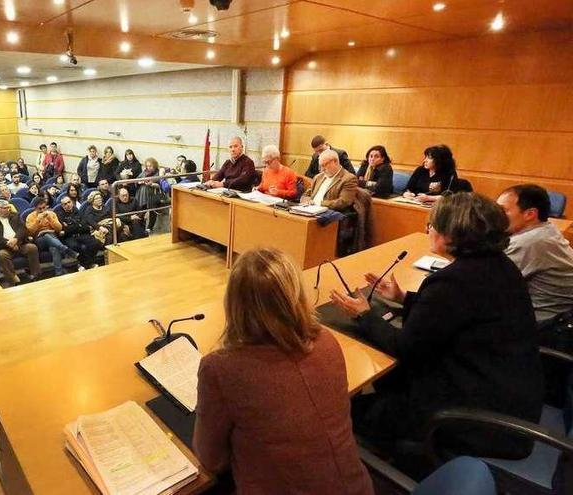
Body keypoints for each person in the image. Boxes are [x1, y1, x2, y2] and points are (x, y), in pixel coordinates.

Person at [330, 193, 543, 460]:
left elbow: (405, 348)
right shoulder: (499, 265)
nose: (428, 229)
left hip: (477, 416)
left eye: (432, 224)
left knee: (349, 408)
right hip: (506, 393)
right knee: (389, 379)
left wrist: (365, 315)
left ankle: (386, 463)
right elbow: (459, 312)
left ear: (450, 235)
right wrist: (402, 297)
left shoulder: (452, 282)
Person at [194, 248, 373, 494]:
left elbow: (211, 459)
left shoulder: (220, 368)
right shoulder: (327, 340)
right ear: (297, 295)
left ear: (234, 304)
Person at [497, 184, 573, 325]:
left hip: (543, 323)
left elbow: (486, 282)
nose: (496, 215)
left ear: (530, 214)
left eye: (503, 210)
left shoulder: (530, 242)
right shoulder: (546, 229)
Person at [0, 199, 41, 286]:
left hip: (19, 244)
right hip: (4, 247)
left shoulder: (15, 216)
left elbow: (23, 229)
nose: (8, 210)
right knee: (1, 255)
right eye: (5, 208)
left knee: (32, 248)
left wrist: (16, 239)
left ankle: (35, 275)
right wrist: (8, 243)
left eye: (8, 207)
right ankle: (14, 280)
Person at [26, 197, 78, 275]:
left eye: (44, 208)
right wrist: (37, 221)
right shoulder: (30, 217)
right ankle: (65, 249)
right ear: (35, 208)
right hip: (39, 240)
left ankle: (59, 273)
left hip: (53, 237)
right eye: (39, 209)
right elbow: (29, 232)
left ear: (46, 206)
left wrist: (50, 219)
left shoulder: (51, 214)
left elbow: (59, 229)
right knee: (47, 236)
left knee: (54, 247)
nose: (42, 210)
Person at [57, 195, 101, 269]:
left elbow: (85, 226)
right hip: (69, 237)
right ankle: (90, 263)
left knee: (96, 243)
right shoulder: (59, 215)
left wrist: (71, 228)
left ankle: (84, 264)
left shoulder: (78, 211)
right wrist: (77, 226)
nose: (68, 205)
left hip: (81, 234)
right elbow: (64, 230)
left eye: (69, 202)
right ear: (62, 206)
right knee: (75, 246)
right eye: (65, 204)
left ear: (72, 202)